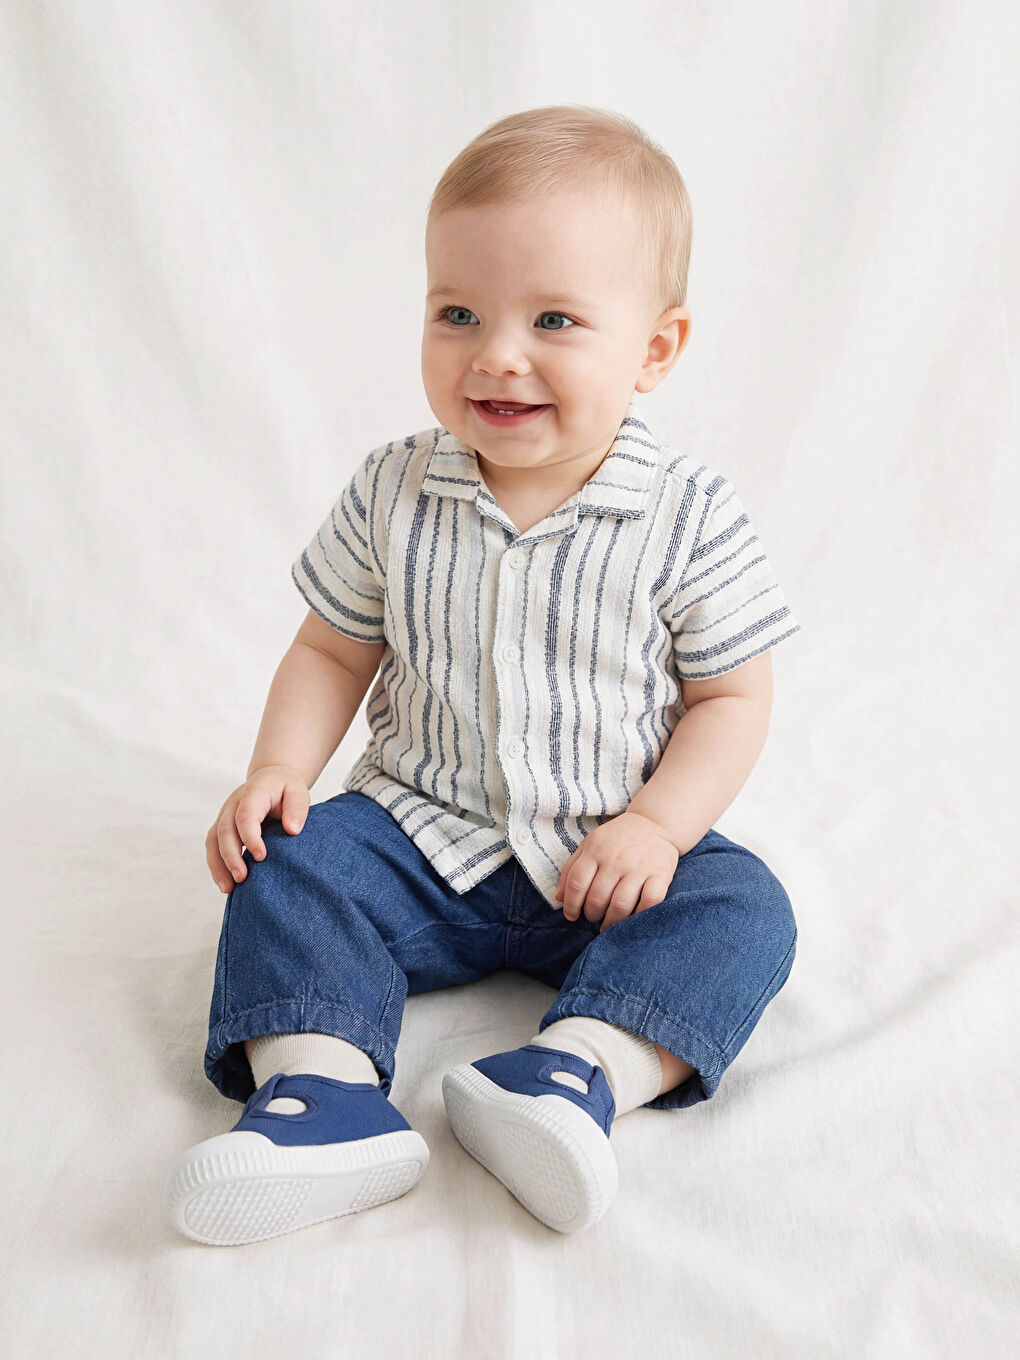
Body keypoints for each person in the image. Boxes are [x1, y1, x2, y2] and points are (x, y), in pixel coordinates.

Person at [165, 104, 801, 1246]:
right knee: (287, 867)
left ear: (655, 347)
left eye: (554, 319)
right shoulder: (392, 487)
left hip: (605, 854)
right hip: (420, 830)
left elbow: (732, 699)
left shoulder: (689, 513)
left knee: (744, 907)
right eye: (457, 312)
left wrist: (658, 827)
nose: (495, 353)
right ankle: (321, 1094)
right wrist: (276, 769)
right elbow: (330, 647)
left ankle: (576, 1071)